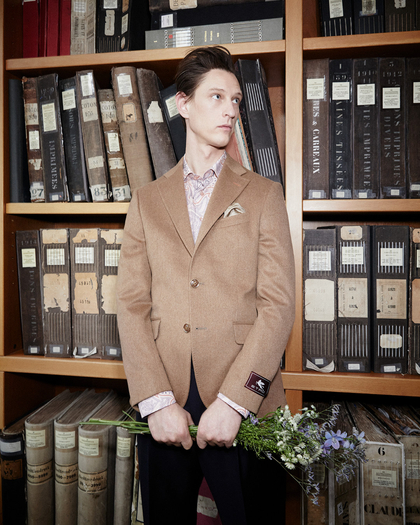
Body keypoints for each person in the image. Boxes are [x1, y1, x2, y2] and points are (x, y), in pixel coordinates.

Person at [117, 45, 295, 525]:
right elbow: (131, 303)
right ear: (183, 104)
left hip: (244, 402)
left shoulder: (263, 194)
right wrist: (154, 403)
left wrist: (237, 402)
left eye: (235, 100)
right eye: (216, 97)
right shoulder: (147, 200)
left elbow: (278, 306)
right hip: (165, 406)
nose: (231, 110)